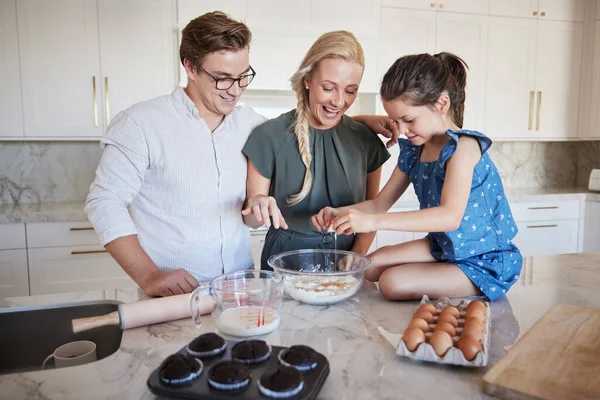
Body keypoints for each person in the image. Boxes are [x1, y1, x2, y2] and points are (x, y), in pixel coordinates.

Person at [85, 12, 399, 297]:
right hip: (173, 291)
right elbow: (104, 203)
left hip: (242, 288)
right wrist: (149, 275)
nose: (235, 90)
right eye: (222, 77)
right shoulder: (140, 124)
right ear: (190, 68)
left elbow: (313, 129)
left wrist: (361, 123)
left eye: (243, 76)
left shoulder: (250, 124)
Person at [312, 52, 523, 302]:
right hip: (444, 248)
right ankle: (442, 274)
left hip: (484, 258)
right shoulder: (415, 151)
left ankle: (460, 278)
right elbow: (380, 204)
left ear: (441, 104)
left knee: (392, 283)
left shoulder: (464, 147)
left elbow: (450, 217)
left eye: (409, 120)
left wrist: (374, 222)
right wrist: (340, 212)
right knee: (369, 266)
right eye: (395, 121)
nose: (401, 130)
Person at [241, 31, 391, 270]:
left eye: (350, 90)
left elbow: (372, 212)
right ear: (308, 79)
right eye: (329, 88)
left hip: (346, 259)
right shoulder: (269, 136)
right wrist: (258, 205)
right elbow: (250, 219)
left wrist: (356, 256)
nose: (339, 101)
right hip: (284, 260)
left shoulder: (366, 140)